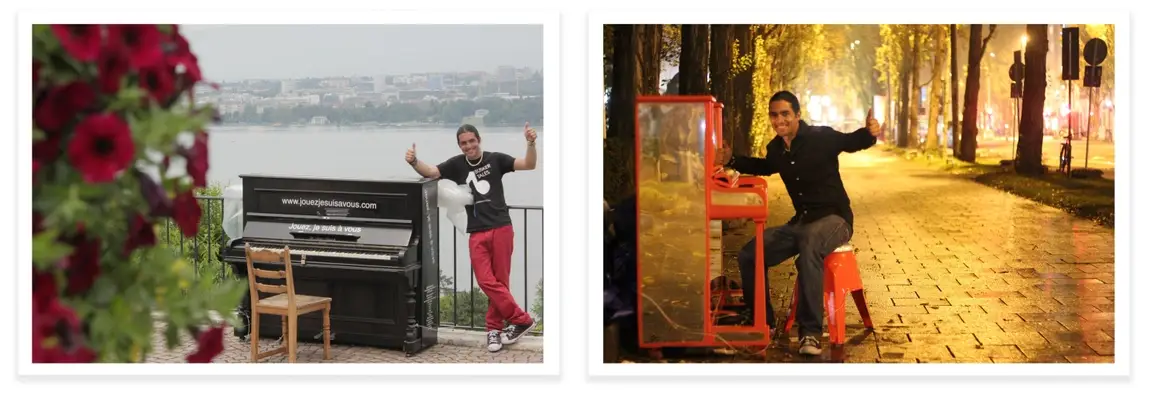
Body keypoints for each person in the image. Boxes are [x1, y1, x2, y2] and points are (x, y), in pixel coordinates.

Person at [714, 91, 880, 356]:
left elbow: (852, 141)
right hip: (801, 222)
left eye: (785, 114)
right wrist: (731, 159)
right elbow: (766, 166)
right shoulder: (776, 149)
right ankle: (761, 321)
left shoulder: (820, 137)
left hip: (834, 219)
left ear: (797, 115)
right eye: (774, 115)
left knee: (810, 244)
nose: (779, 120)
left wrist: (870, 133)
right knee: (750, 253)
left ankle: (810, 333)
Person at [406, 123, 538, 353]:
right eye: (464, 143)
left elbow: (529, 164)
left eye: (472, 141)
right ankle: (521, 319)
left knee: (501, 280)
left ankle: (494, 330)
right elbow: (431, 172)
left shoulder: (496, 160)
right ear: (460, 145)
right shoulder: (456, 164)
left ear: (479, 140)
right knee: (486, 281)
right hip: (476, 231)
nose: (469, 146)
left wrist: (531, 143)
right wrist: (414, 162)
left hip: (501, 227)